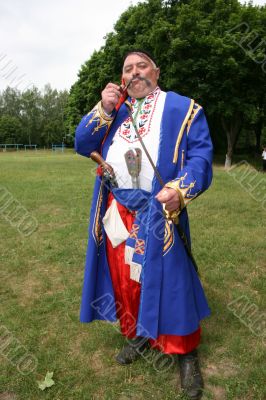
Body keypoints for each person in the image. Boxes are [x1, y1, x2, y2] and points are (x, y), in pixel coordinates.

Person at [75, 50, 213, 400]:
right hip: (117, 209)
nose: (135, 73)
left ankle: (184, 352)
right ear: (122, 79)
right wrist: (103, 109)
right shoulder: (115, 111)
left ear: (156, 71)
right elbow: (82, 144)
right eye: (127, 70)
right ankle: (139, 333)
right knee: (127, 279)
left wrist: (180, 190)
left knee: (172, 281)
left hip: (159, 209)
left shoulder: (183, 108)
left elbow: (199, 156)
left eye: (142, 66)